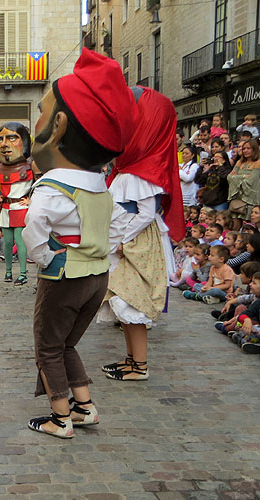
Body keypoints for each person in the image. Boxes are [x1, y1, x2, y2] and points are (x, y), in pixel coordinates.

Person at [22, 49, 136, 439]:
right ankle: (84, 407)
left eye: (41, 112)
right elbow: (117, 225)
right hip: (97, 276)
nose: (36, 122)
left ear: (58, 126)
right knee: (67, 344)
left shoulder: (53, 186)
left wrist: (44, 256)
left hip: (65, 275)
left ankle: (60, 418)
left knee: (48, 347)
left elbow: (34, 225)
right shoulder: (100, 186)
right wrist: (100, 250)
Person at [99, 86, 185, 383]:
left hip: (134, 245)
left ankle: (140, 365)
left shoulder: (142, 172)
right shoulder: (128, 170)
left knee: (130, 302)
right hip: (124, 243)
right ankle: (131, 360)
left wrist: (123, 241)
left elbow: (146, 213)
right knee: (120, 301)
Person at [0, 122, 33, 286]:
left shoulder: (29, 167)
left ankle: (22, 273)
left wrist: (31, 199)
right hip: (6, 208)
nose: (4, 144)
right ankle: (8, 271)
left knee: (20, 241)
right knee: (7, 242)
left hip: (20, 207)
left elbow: (39, 184)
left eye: (12, 138)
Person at [227, 140, 260, 229]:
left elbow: (251, 181)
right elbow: (229, 177)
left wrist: (236, 177)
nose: (245, 150)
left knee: (248, 228)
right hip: (237, 198)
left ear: (254, 149)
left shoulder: (258, 163)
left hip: (250, 199)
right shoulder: (239, 162)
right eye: (244, 148)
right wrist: (243, 177)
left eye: (248, 148)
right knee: (234, 227)